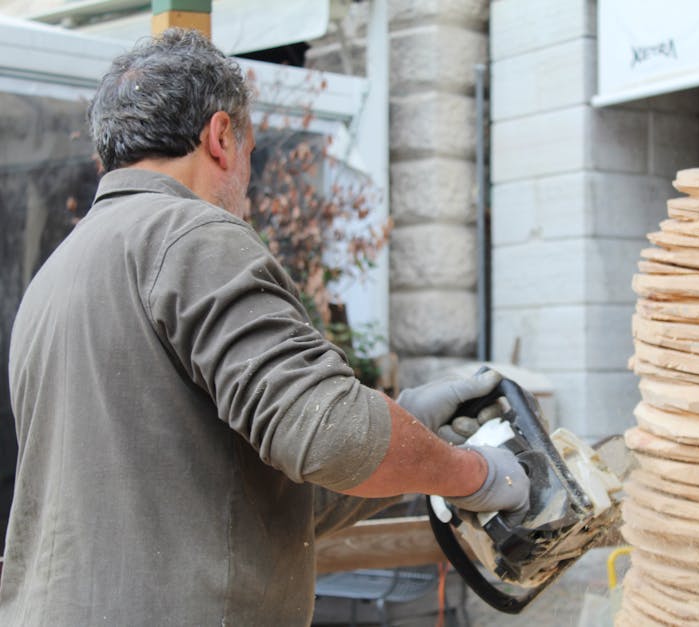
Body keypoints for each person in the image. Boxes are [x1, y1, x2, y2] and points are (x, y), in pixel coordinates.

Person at [0, 29, 528, 626]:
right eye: (251, 151)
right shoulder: (190, 235)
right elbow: (330, 434)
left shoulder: (52, 277)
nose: (248, 183)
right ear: (220, 136)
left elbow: (249, 499)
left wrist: (412, 418)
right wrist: (477, 477)